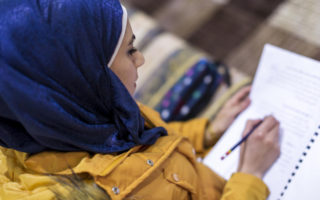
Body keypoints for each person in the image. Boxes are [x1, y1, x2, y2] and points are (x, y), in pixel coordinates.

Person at [0, 0, 280, 199]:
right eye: (130, 50)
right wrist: (251, 177)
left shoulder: (86, 112)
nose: (141, 59)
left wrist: (206, 131)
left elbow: (151, 141)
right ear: (80, 77)